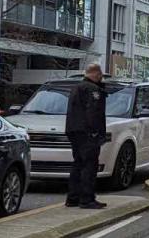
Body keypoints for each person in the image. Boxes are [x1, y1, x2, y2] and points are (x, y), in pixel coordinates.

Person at [66, 63, 107, 209]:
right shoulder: (93, 90)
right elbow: (93, 112)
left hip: (74, 131)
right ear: (97, 74)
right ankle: (87, 199)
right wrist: (95, 131)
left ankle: (73, 198)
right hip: (88, 133)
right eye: (100, 75)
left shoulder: (76, 88)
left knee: (77, 163)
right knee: (89, 165)